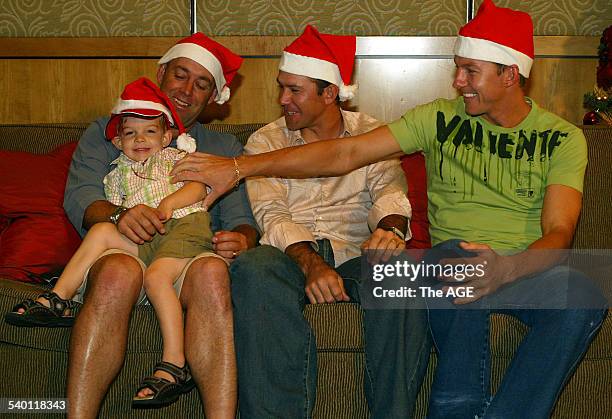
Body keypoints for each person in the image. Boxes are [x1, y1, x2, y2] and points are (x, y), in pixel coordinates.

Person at [171, 3, 607, 418]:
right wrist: (238, 167)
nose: (457, 81)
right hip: (451, 260)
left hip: (519, 268)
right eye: (458, 68)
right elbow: (346, 155)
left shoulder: (563, 138)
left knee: (589, 289)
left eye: (470, 70)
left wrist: (506, 269)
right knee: (454, 261)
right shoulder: (436, 119)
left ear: (510, 74)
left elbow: (559, 231)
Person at [217, 25, 430, 418]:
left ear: (330, 93)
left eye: (294, 90)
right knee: (252, 268)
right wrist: (312, 263)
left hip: (355, 251)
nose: (282, 100)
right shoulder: (264, 142)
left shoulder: (371, 134)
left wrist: (392, 230)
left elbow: (388, 192)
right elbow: (271, 214)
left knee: (400, 271)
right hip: (286, 255)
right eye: (282, 87)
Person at [62, 33, 259, 418]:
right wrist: (120, 214)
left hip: (186, 256)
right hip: (127, 251)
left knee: (212, 272)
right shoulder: (110, 132)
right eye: (180, 75)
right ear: (161, 73)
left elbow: (243, 221)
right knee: (117, 271)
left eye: (202, 84)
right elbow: (81, 198)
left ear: (212, 97)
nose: (187, 90)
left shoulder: (223, 149)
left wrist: (240, 239)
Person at [6, 76, 227, 408]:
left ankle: (174, 363)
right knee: (102, 231)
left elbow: (199, 189)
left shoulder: (173, 159)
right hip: (147, 238)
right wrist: (122, 217)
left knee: (156, 279)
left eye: (150, 132)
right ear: (117, 140)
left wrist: (168, 205)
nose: (140, 139)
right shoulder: (116, 172)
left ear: (167, 136)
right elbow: (109, 215)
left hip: (182, 228)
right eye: (130, 133)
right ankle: (58, 297)